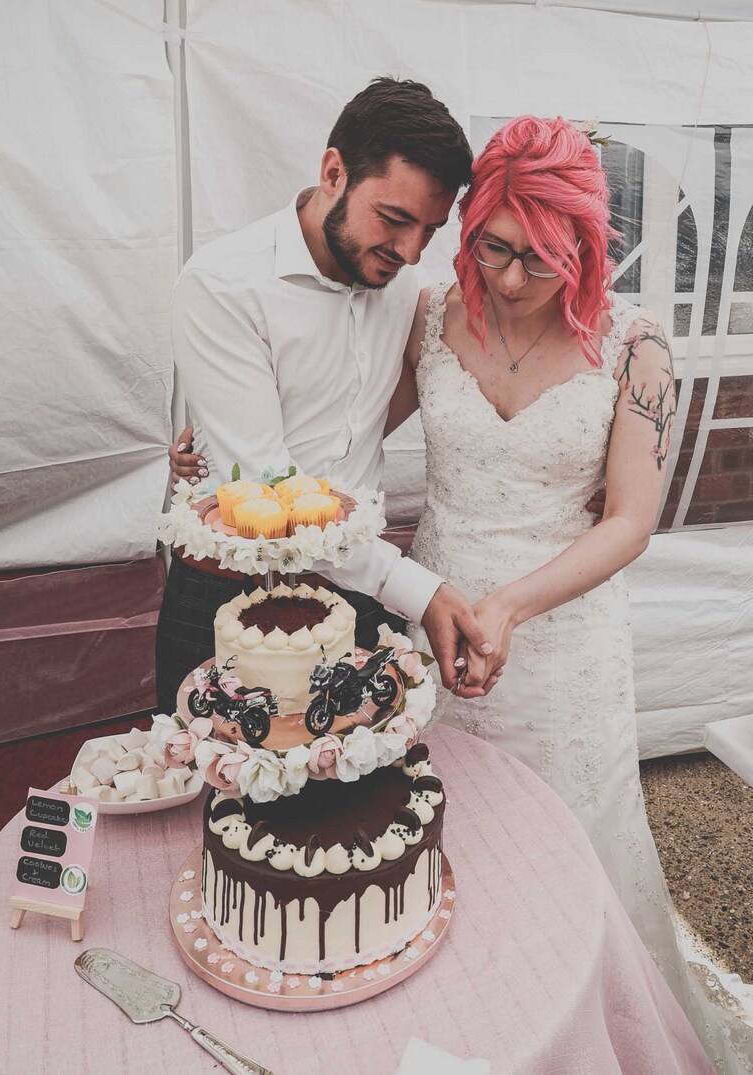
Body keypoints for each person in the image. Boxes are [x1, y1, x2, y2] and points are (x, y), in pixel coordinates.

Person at [384, 114, 748, 1074]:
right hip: (436, 618)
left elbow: (628, 519)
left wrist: (508, 607)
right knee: (437, 840)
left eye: (537, 260)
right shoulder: (428, 313)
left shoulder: (638, 350)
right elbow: (343, 434)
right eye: (490, 247)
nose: (506, 280)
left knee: (565, 861)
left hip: (563, 641)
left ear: (585, 246)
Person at [156, 77, 499, 716]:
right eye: (394, 220)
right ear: (333, 171)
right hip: (230, 597)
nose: (409, 250)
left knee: (353, 798)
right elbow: (263, 484)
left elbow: (394, 404)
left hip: (357, 596)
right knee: (220, 797)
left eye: (429, 229)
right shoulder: (223, 285)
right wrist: (418, 591)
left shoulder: (402, 283)